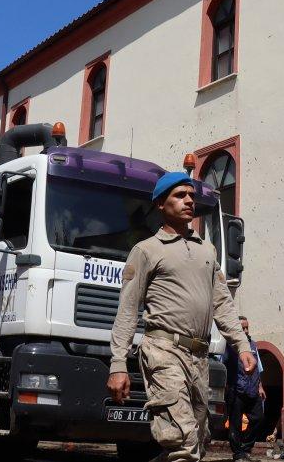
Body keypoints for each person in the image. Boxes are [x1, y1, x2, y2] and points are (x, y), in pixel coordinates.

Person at [108, 171, 257, 462]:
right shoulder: (146, 251)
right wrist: (117, 364)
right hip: (163, 352)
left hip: (199, 357)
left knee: (199, 442)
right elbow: (127, 310)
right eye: (180, 195)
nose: (189, 200)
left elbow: (222, 303)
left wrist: (241, 345)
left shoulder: (207, 250)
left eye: (191, 195)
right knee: (182, 438)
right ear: (161, 204)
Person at [224, 316, 266, 460]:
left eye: (247, 327)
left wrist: (260, 387)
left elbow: (258, 368)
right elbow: (221, 366)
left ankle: (246, 448)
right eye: (242, 328)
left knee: (259, 418)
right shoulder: (229, 346)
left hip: (253, 389)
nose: (246, 331)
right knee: (235, 423)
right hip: (236, 390)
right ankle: (238, 453)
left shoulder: (253, 345)